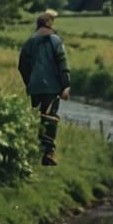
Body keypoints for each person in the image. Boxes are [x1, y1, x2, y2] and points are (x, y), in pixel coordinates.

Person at [18, 9, 71, 166]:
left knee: (37, 118)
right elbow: (63, 63)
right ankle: (48, 153)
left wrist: (30, 82)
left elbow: (22, 66)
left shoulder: (29, 43)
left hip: (35, 87)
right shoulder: (55, 41)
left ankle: (34, 149)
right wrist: (66, 85)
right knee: (50, 118)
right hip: (52, 87)